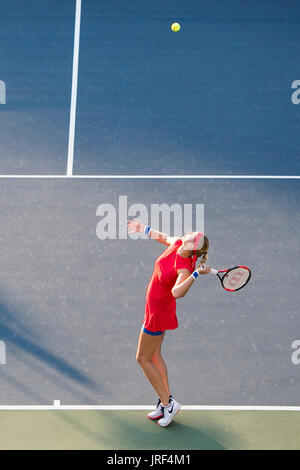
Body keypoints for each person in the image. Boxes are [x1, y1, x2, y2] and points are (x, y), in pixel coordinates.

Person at [127, 219, 211, 427]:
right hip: (154, 309)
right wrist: (143, 229)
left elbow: (176, 292)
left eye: (193, 235)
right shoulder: (179, 243)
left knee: (142, 359)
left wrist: (195, 273)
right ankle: (165, 402)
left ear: (192, 246)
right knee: (155, 356)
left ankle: (168, 403)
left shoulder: (183, 267)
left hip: (158, 314)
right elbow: (164, 237)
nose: (190, 232)